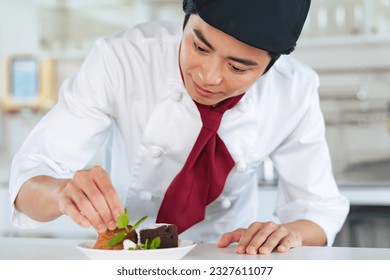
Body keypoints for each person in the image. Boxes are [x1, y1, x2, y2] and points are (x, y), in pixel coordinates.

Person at [9, 0, 349, 255]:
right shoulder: (122, 58)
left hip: (229, 260)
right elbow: (29, 181)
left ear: (270, 66)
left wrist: (291, 234)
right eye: (199, 46)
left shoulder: (294, 90)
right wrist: (62, 193)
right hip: (129, 260)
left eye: (237, 67)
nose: (208, 76)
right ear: (185, 20)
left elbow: (317, 209)